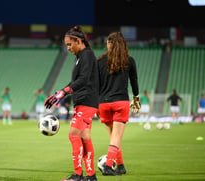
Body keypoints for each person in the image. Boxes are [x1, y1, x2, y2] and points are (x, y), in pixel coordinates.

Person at [44, 26, 99, 181]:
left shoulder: (86, 55)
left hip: (87, 101)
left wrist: (65, 91)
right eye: (66, 45)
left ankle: (77, 176)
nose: (68, 48)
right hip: (83, 101)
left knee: (73, 135)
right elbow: (75, 81)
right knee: (84, 138)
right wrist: (60, 92)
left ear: (78, 41)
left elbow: (84, 80)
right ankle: (91, 176)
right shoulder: (80, 57)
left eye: (69, 44)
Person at [97, 32, 140, 176]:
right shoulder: (129, 61)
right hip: (120, 103)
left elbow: (95, 85)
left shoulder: (99, 62)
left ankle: (120, 166)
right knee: (116, 137)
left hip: (103, 104)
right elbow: (134, 82)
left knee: (113, 137)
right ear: (122, 45)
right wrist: (136, 99)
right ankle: (108, 166)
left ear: (108, 44)